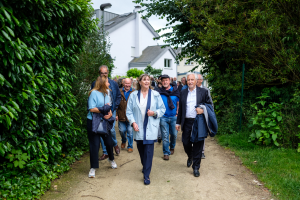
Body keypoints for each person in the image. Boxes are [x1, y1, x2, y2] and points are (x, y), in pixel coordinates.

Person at [126, 74, 166, 185]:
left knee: (149, 152)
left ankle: (146, 176)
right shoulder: (133, 95)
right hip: (138, 128)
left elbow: (162, 109)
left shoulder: (156, 94)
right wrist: (133, 122)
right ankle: (145, 166)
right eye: (144, 80)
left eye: (148, 80)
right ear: (139, 82)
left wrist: (154, 113)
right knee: (141, 151)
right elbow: (128, 111)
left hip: (150, 128)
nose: (147, 82)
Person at [176, 72, 212, 177]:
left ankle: (196, 167)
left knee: (198, 144)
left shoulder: (203, 92)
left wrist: (203, 110)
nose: (190, 82)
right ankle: (190, 155)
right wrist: (178, 122)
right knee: (185, 142)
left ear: (196, 81)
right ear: (186, 81)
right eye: (189, 80)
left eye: (192, 80)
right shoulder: (183, 92)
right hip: (186, 121)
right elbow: (181, 109)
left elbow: (210, 106)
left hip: (199, 121)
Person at [87, 76, 117, 178]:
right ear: (102, 83)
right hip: (93, 122)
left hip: (104, 121)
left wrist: (109, 113)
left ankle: (111, 159)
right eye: (107, 82)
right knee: (95, 145)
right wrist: (104, 109)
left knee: (109, 142)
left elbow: (108, 107)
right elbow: (91, 109)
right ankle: (93, 168)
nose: (109, 84)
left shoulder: (106, 93)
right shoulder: (93, 93)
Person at [91, 65, 121, 159]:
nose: (104, 75)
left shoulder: (113, 83)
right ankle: (106, 152)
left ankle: (115, 144)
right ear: (99, 73)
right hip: (100, 111)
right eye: (102, 73)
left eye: (105, 73)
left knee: (111, 130)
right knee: (102, 130)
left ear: (108, 73)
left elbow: (118, 96)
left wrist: (114, 107)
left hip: (111, 109)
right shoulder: (94, 83)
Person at [156, 75, 180, 160]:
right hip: (163, 117)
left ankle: (172, 147)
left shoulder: (176, 91)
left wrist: (177, 114)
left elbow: (178, 103)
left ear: (169, 81)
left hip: (174, 117)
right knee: (165, 136)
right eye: (163, 81)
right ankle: (166, 153)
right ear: (161, 82)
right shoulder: (158, 92)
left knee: (174, 135)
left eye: (166, 80)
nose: (165, 82)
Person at [197, 74, 214, 159]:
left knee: (202, 132)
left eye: (197, 79)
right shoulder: (191, 90)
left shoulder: (205, 90)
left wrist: (210, 113)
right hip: (194, 115)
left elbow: (210, 103)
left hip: (203, 114)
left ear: (201, 80)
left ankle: (202, 151)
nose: (195, 80)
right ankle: (195, 150)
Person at [116, 78, 135, 153]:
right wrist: (116, 114)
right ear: (123, 83)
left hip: (131, 117)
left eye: (129, 83)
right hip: (121, 115)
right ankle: (124, 140)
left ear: (131, 83)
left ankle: (130, 146)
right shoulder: (119, 92)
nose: (127, 85)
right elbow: (116, 104)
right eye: (126, 83)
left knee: (130, 132)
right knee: (122, 130)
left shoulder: (134, 92)